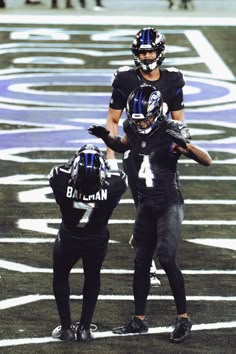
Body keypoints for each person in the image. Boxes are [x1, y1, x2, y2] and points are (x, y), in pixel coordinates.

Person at [88, 85, 212, 343]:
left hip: (169, 203)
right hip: (145, 204)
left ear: (156, 113)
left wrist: (186, 147)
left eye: (144, 117)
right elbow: (122, 145)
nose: (140, 122)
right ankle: (139, 320)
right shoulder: (133, 128)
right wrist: (105, 138)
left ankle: (183, 318)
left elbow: (206, 159)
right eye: (136, 118)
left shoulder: (170, 131)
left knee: (166, 257)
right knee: (141, 261)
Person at [106, 27, 186, 286]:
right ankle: (148, 256)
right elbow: (113, 119)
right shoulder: (125, 79)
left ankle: (151, 244)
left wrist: (181, 146)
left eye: (150, 50)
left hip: (162, 153)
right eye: (143, 51)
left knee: (167, 200)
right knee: (144, 203)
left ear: (160, 52)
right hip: (137, 152)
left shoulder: (173, 80)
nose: (147, 55)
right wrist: (111, 157)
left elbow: (179, 121)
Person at [49, 144, 127, 341]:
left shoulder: (59, 178)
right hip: (96, 240)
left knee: (61, 276)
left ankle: (66, 328)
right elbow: (119, 176)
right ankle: (84, 329)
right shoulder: (116, 184)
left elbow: (59, 171)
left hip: (68, 238)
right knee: (92, 277)